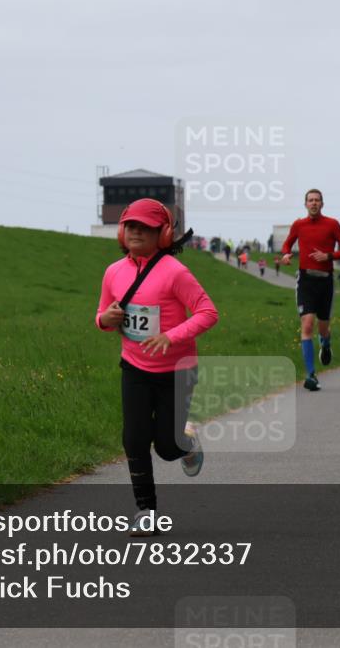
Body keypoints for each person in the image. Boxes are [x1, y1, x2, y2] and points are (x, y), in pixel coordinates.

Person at [95, 199, 219, 536]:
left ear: (162, 233)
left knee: (166, 446)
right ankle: (145, 512)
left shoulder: (175, 272)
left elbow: (208, 312)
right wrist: (104, 320)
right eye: (131, 226)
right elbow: (103, 315)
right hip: (134, 368)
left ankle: (187, 440)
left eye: (145, 227)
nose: (136, 232)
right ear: (122, 231)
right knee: (134, 439)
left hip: (177, 370)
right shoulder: (113, 272)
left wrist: (171, 336)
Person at [280, 188, 340, 390]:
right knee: (307, 324)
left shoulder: (332, 224)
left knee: (323, 326)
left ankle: (326, 343)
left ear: (322, 204)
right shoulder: (298, 224)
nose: (313, 203)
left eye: (317, 200)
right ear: (305, 204)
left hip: (326, 281)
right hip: (306, 280)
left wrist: (329, 256)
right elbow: (287, 245)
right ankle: (311, 375)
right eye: (310, 200)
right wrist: (286, 255)